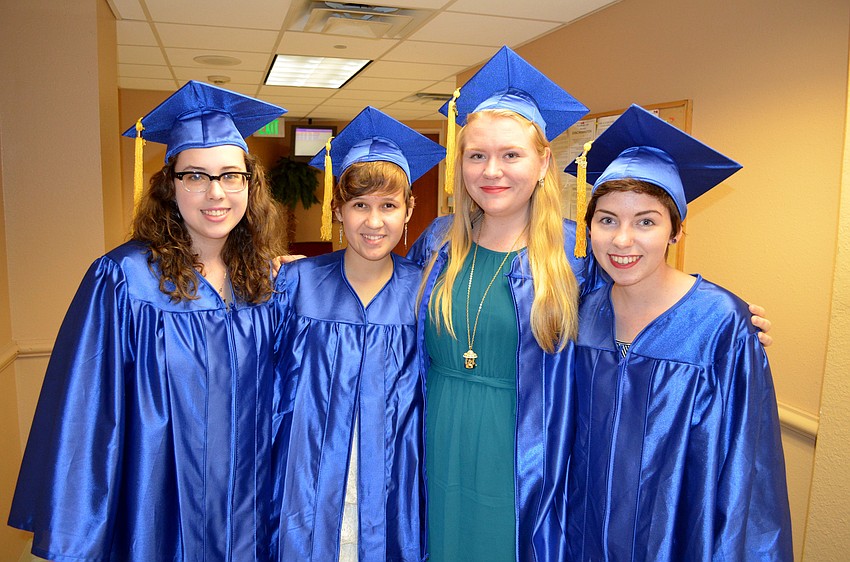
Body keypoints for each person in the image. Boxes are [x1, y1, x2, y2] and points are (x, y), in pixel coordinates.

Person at [8, 81, 289, 561]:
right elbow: (86, 411)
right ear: (169, 183)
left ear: (250, 184)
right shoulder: (123, 280)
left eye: (230, 176)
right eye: (196, 175)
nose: (215, 192)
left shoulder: (269, 282)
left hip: (252, 508)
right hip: (158, 510)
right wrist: (79, 528)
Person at [563, 104, 792, 561]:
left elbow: (748, 471)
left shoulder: (720, 324)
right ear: (588, 228)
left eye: (646, 221)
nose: (623, 240)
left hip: (677, 540)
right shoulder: (581, 315)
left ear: (676, 231)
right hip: (581, 538)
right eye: (607, 219)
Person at [407, 45, 594, 561]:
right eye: (477, 155)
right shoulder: (438, 242)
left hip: (520, 454)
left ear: (543, 162)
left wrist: (709, 318)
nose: (492, 170)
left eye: (511, 154)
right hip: (435, 440)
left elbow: (636, 313)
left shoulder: (577, 255)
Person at [273, 106, 445, 561]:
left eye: (389, 206)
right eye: (359, 206)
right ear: (338, 210)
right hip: (307, 491)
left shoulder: (427, 292)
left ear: (409, 209)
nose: (374, 222)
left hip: (395, 491)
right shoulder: (296, 285)